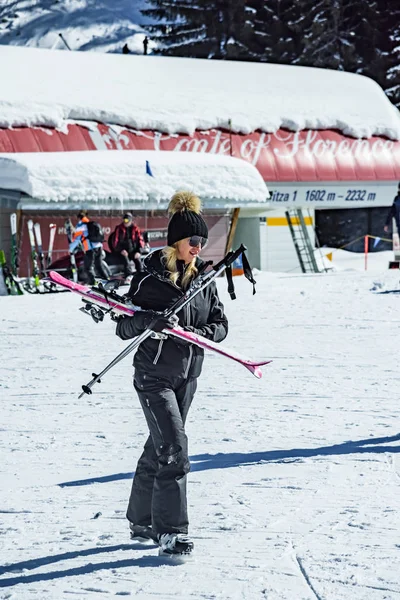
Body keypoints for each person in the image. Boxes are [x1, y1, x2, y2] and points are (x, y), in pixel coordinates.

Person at [115, 191, 228, 556]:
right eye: (193, 241)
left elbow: (221, 324)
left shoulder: (204, 282)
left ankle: (140, 519)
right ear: (176, 241)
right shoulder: (150, 279)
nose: (198, 247)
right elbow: (123, 325)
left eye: (202, 241)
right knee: (175, 451)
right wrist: (151, 321)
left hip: (187, 378)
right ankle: (170, 532)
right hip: (153, 376)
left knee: (158, 448)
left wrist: (200, 334)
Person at [69, 210, 111, 284]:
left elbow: (77, 239)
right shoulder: (90, 224)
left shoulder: (81, 226)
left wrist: (70, 249)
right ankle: (107, 280)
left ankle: (93, 282)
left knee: (88, 267)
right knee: (99, 265)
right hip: (99, 247)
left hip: (90, 249)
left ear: (79, 218)